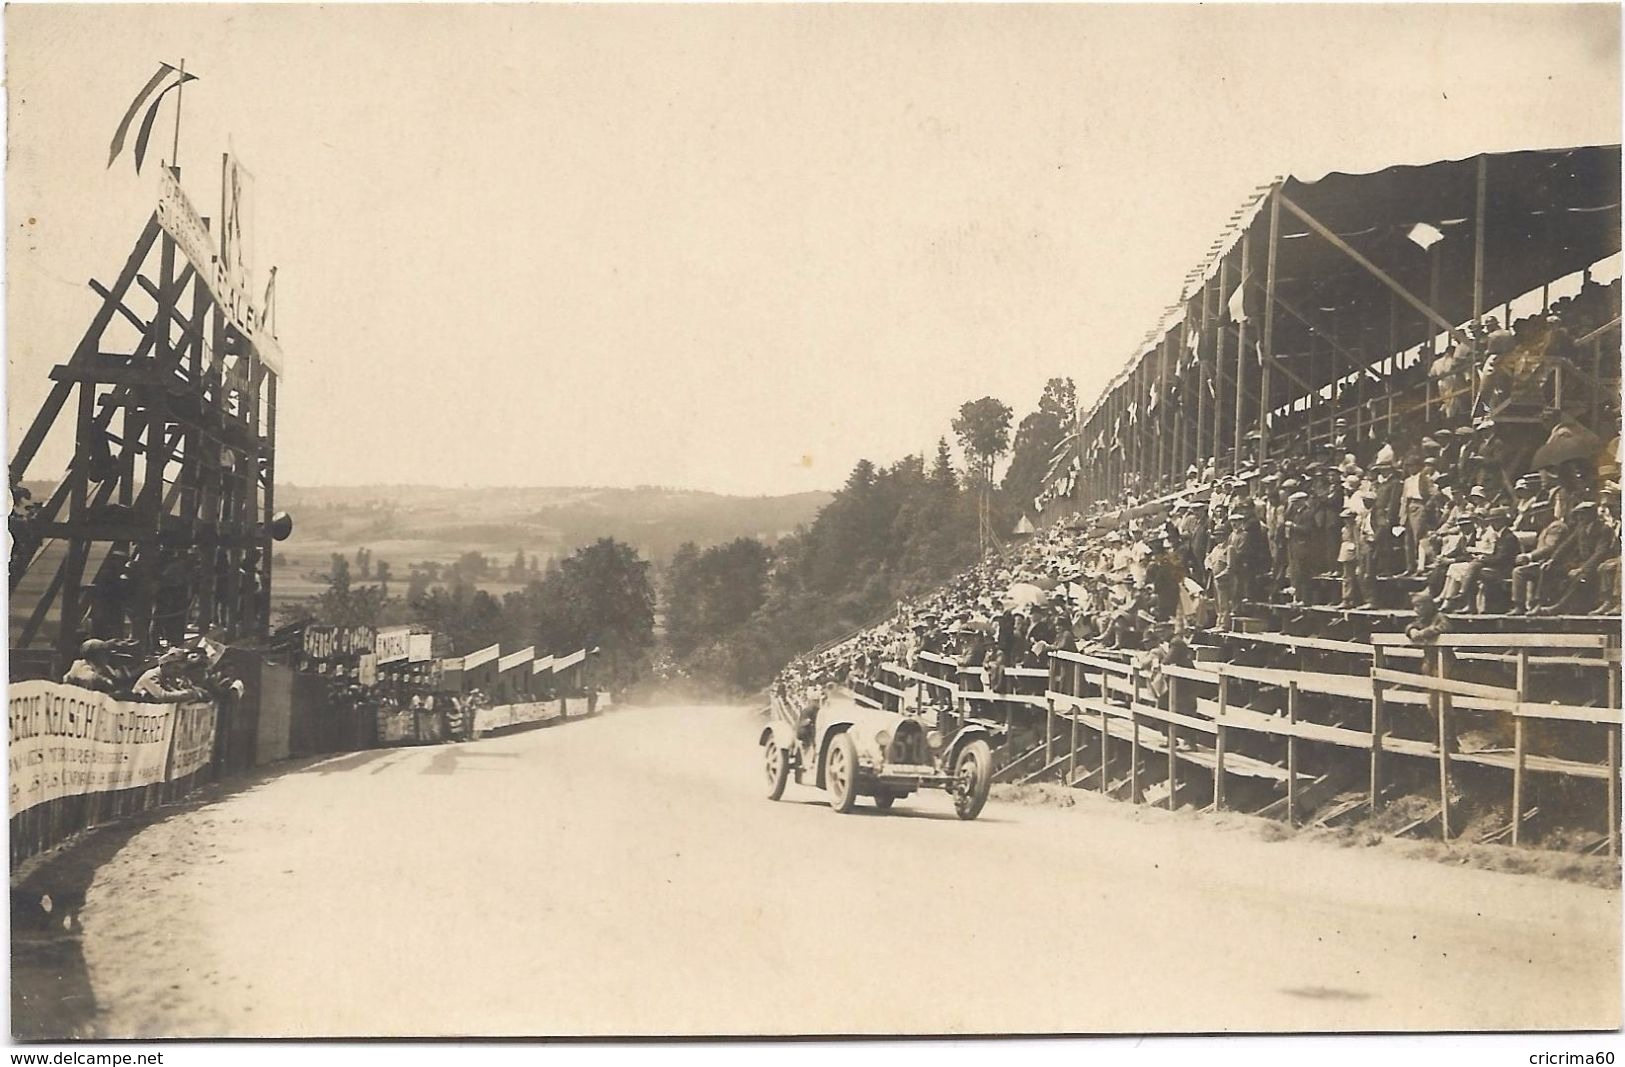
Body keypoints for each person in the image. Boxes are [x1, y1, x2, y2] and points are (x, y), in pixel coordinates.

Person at [131, 648, 208, 703]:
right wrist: (189, 694)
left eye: (179, 669)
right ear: (165, 665)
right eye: (175, 668)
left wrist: (197, 692)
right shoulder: (151, 676)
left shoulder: (168, 677)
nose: (177, 672)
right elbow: (163, 696)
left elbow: (177, 690)